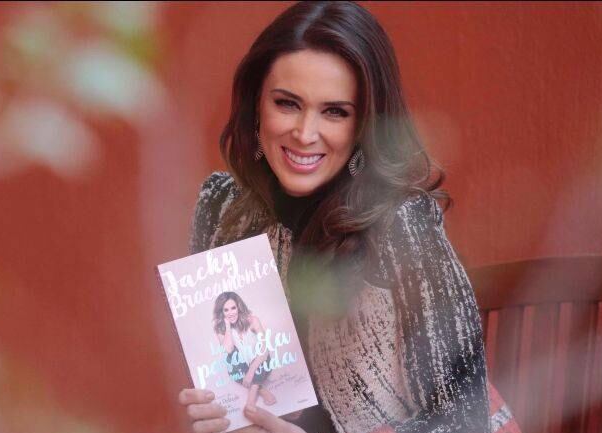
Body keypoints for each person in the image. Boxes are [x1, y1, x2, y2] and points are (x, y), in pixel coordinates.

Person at [177, 2, 519, 433]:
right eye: (287, 103)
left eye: (335, 112)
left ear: (363, 126)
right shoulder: (222, 207)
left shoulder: (402, 224)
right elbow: (228, 380)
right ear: (256, 106)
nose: (305, 134)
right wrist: (218, 414)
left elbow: (465, 420)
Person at [213, 291, 277, 410]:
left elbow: (264, 350)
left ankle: (250, 402)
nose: (231, 313)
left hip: (260, 362)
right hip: (240, 368)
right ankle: (262, 391)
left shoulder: (252, 320)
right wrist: (227, 325)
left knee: (260, 358)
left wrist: (250, 371)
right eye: (226, 310)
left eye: (233, 308)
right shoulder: (219, 329)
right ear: (221, 312)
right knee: (232, 358)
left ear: (239, 307)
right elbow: (229, 349)